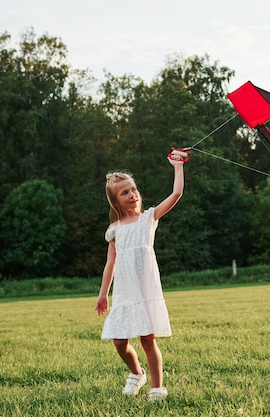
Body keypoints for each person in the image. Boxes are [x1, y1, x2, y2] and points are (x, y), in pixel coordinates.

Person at [95, 151, 186, 402]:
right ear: (115, 200)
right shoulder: (114, 230)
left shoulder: (149, 218)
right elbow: (110, 263)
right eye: (124, 192)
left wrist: (177, 167)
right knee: (119, 341)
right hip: (125, 291)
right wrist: (103, 294)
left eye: (133, 189)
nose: (132, 194)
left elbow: (176, 194)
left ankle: (157, 388)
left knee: (148, 339)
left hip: (145, 289)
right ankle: (137, 373)